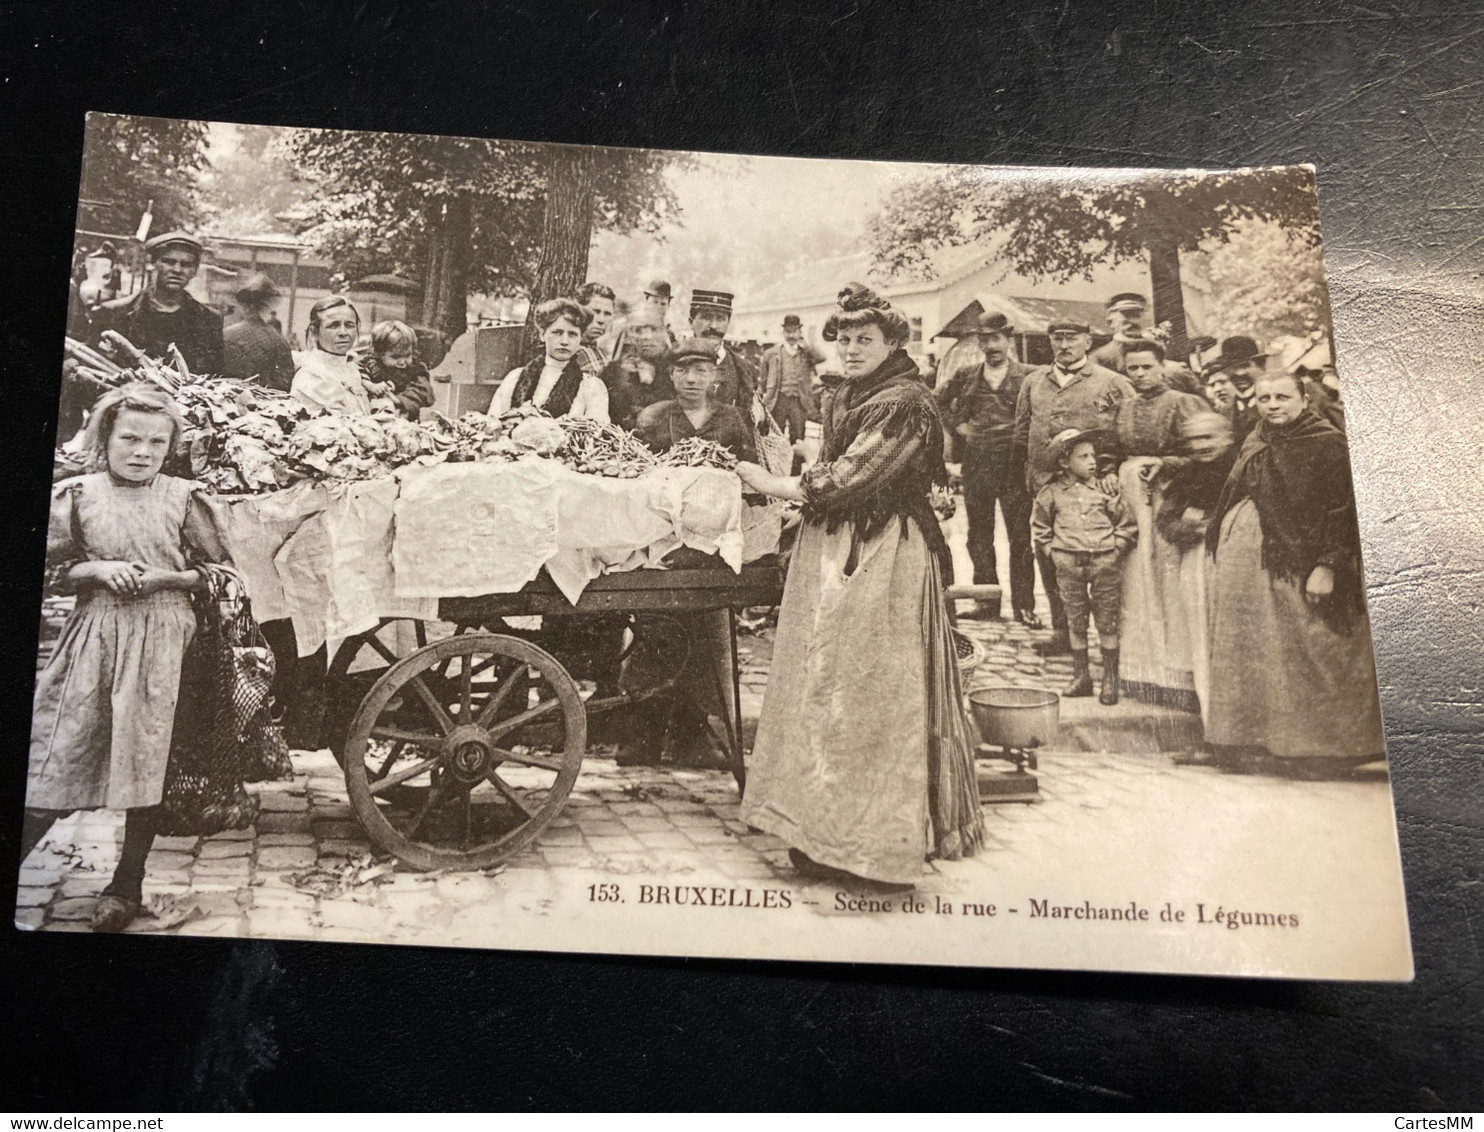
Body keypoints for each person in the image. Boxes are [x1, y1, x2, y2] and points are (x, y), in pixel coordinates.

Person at [733, 284, 983, 890]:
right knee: (822, 684)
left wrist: (763, 479)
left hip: (883, 554)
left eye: (863, 340)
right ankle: (818, 830)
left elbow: (846, 480)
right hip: (837, 546)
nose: (849, 349)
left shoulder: (905, 403)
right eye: (842, 339)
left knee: (870, 696)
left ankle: (874, 847)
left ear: (894, 343)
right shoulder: (847, 391)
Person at [22, 384, 232, 932]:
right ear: (105, 439)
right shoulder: (79, 496)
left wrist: (168, 578)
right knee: (58, 747)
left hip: (166, 640)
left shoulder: (184, 499)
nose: (141, 452)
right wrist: (95, 570)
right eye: (130, 439)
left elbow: (222, 576)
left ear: (170, 448)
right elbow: (54, 568)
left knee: (147, 755)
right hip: (95, 637)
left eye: (155, 443)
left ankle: (126, 883)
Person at [1204, 371, 1384, 778]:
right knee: (1255, 649)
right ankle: (1249, 740)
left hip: (1302, 563)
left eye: (1282, 396)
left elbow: (1344, 512)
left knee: (1313, 648)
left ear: (1304, 398)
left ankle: (1323, 750)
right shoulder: (1258, 438)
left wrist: (1327, 565)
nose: (1272, 404)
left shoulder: (1329, 443)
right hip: (1252, 569)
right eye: (1264, 397)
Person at [1012, 319, 1133, 655]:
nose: (1064, 345)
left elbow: (1128, 431)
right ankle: (1063, 633)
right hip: (1047, 487)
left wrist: (1109, 469)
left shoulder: (1112, 382)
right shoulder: (1034, 382)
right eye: (1057, 338)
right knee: (1051, 558)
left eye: (1072, 338)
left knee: (1100, 564)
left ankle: (1110, 641)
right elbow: (1022, 433)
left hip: (1094, 490)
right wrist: (1030, 475)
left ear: (1088, 341)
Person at [1110, 340, 1209, 709]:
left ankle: (1177, 672)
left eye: (1146, 367)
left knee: (1169, 578)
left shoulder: (1184, 403)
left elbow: (1203, 455)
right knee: (1137, 578)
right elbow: (1116, 450)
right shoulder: (1127, 406)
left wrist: (1165, 463)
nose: (1139, 375)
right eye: (1132, 368)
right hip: (1133, 498)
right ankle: (1142, 671)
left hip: (1169, 495)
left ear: (1161, 366)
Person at [934, 311, 1037, 623]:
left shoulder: (1030, 376)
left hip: (1015, 462)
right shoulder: (967, 375)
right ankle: (986, 603)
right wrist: (957, 425)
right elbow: (935, 402)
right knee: (979, 535)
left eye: (996, 338)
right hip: (978, 461)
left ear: (1008, 340)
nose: (991, 345)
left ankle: (1025, 606)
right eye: (985, 339)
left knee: (1020, 536)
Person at [1031, 429, 1137, 704]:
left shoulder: (1105, 490)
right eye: (1083, 456)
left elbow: (1126, 523)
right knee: (1075, 621)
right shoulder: (1051, 493)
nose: (1092, 462)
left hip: (1103, 562)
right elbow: (1041, 527)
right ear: (1064, 463)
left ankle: (1110, 680)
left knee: (1107, 621)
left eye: (1094, 456)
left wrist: (1115, 550)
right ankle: (1082, 677)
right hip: (1069, 565)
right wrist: (1053, 553)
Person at [1154, 411, 1238, 725]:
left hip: (1236, 560)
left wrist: (1213, 522)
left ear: (1227, 437)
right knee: (1201, 638)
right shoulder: (1188, 475)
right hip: (1197, 561)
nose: (1201, 446)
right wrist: (1192, 529)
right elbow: (1166, 520)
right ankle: (1212, 722)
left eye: (1208, 437)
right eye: (1194, 440)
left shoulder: (1242, 468)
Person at [94, 231, 224, 374]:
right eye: (169, 261)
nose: (177, 270)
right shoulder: (116, 313)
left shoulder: (209, 320)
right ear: (153, 264)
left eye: (186, 264)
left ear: (194, 271)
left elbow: (214, 375)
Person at [635, 338, 757, 463]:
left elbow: (747, 465)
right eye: (682, 370)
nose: (691, 379)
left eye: (700, 370)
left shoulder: (731, 417)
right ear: (671, 374)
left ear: (713, 375)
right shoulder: (652, 418)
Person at [490, 297, 610, 421]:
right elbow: (492, 424)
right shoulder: (514, 378)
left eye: (572, 334)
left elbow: (596, 433)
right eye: (557, 332)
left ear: (580, 338)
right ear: (542, 334)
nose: (564, 341)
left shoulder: (591, 387)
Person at [688, 288, 763, 427]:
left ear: (729, 323)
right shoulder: (671, 362)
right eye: (706, 317)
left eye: (721, 318)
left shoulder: (744, 369)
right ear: (691, 321)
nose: (714, 326)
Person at [291, 296, 371, 415]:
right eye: (333, 325)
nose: (343, 333)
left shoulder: (352, 370)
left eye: (349, 325)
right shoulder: (312, 376)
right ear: (314, 332)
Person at [600, 309, 674, 430]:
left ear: (666, 331)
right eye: (638, 331)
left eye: (654, 329)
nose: (646, 336)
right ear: (631, 335)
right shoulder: (613, 372)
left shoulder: (678, 368)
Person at [222, 272, 295, 391]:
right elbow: (285, 382)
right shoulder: (278, 341)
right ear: (269, 306)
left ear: (242, 305)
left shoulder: (226, 334)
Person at [759, 315, 825, 444]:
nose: (791, 335)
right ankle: (776, 463)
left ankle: (796, 464)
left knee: (798, 436)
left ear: (800, 333)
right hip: (778, 400)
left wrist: (806, 344)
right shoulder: (771, 354)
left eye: (794, 331)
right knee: (776, 436)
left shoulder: (806, 353)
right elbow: (763, 380)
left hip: (799, 401)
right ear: (783, 333)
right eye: (788, 332)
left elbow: (822, 357)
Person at [358, 320, 434, 420]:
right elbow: (358, 375)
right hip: (374, 417)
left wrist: (399, 400)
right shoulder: (372, 365)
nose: (402, 362)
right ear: (379, 354)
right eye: (395, 357)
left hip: (406, 420)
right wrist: (371, 386)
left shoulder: (415, 369)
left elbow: (424, 390)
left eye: (407, 356)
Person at [575, 281, 617, 373]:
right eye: (596, 311)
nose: (601, 320)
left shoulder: (597, 351)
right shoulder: (571, 352)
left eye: (607, 314)